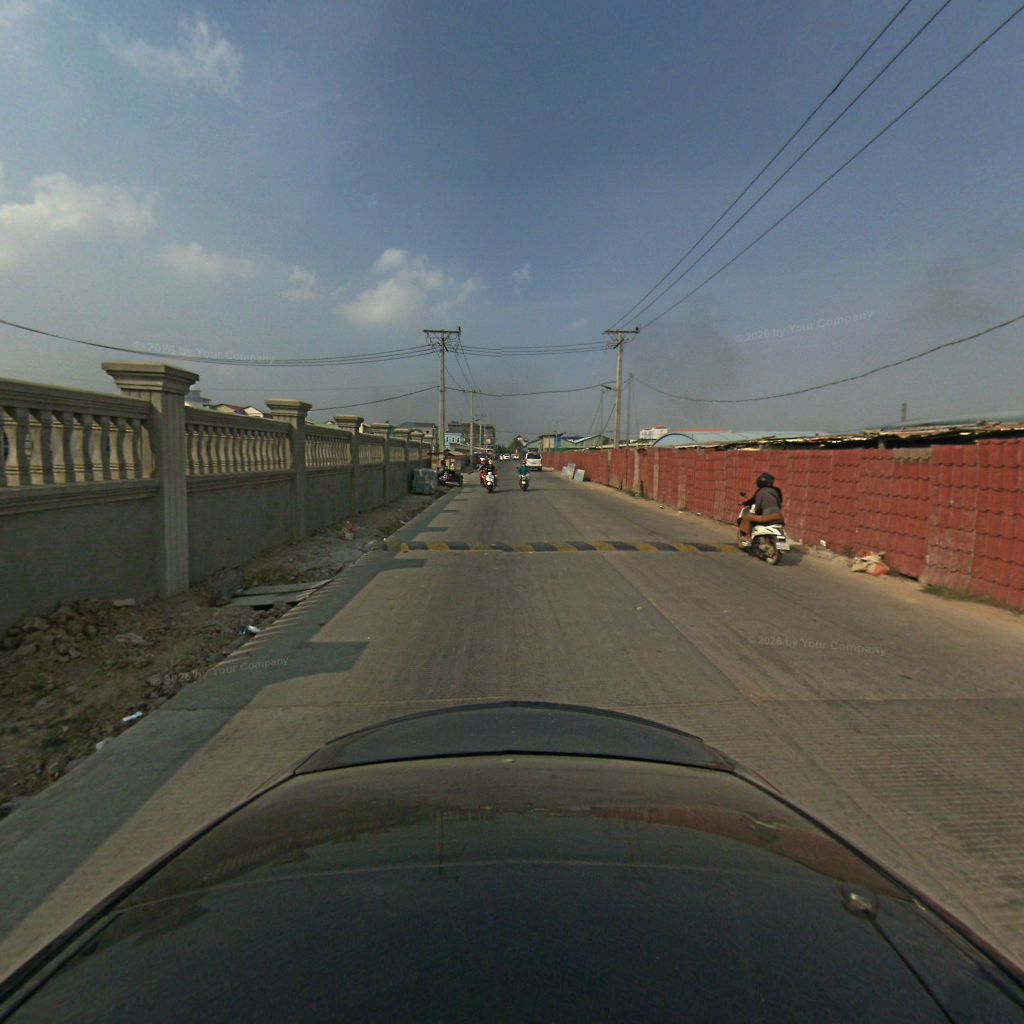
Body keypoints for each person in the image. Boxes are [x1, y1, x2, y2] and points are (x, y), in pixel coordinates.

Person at [738, 473, 784, 546]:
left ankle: (748, 537)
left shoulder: (760, 492)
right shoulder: (777, 491)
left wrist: (757, 510)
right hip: (779, 516)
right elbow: (780, 503)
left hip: (768, 517)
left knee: (747, 518)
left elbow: (758, 507)